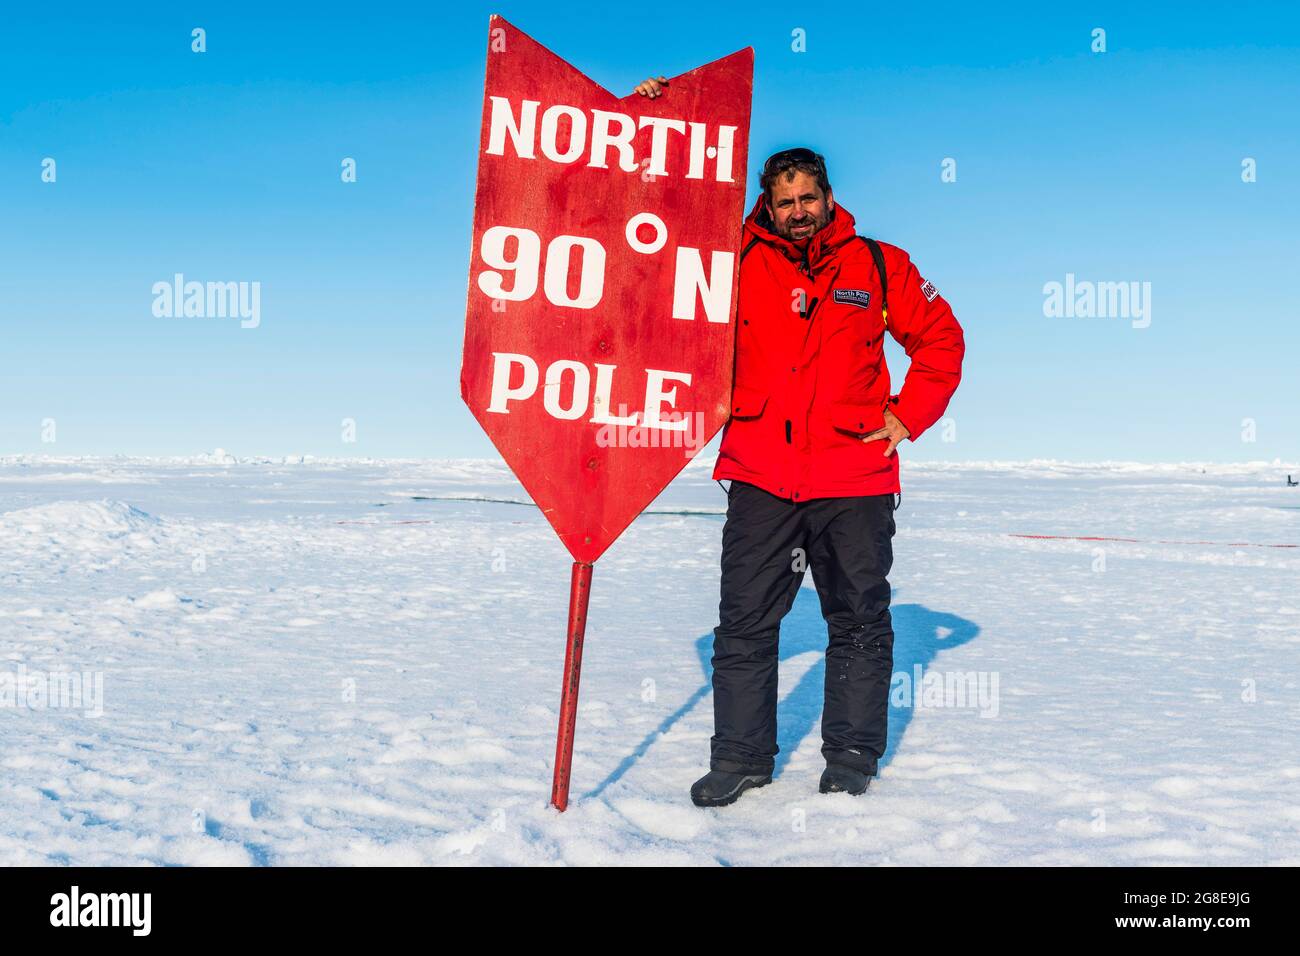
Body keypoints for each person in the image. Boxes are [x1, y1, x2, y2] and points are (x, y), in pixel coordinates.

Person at [634, 76, 967, 807]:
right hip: (760, 471)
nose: (796, 212)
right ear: (766, 202)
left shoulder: (880, 265)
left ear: (826, 195)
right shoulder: (730, 258)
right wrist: (657, 115)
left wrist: (908, 416)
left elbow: (941, 339)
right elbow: (657, 217)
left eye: (806, 198)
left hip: (854, 475)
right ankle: (742, 758)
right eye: (783, 201)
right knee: (745, 624)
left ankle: (850, 755)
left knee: (857, 622)